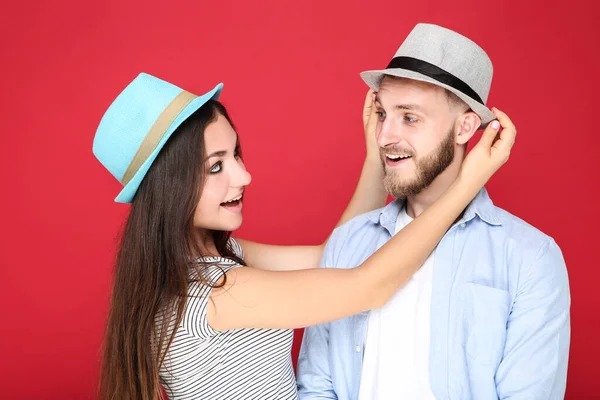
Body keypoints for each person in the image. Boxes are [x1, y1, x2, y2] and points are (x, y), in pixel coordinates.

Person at [93, 71, 515, 400]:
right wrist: (467, 184)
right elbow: (367, 286)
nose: (244, 175)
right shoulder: (208, 295)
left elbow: (334, 255)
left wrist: (374, 159)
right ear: (170, 188)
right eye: (216, 166)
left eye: (236, 153)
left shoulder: (213, 260)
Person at [297, 23, 569, 400]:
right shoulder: (347, 243)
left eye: (409, 118)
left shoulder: (529, 258)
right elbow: (316, 386)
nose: (384, 137)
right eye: (382, 114)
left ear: (466, 127)